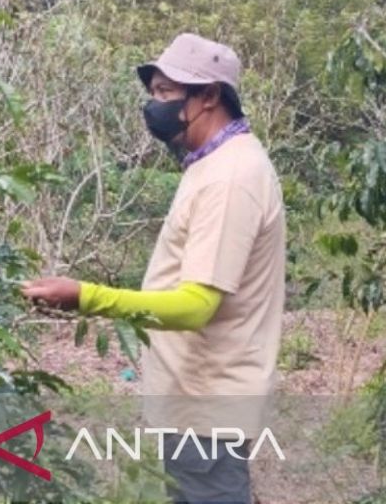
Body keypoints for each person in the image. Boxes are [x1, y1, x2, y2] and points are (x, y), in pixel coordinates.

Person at [20, 33, 286, 504]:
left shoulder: (231, 177)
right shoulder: (209, 164)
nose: (154, 104)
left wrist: (86, 297)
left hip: (208, 408)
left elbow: (196, 306)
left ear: (209, 96)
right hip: (193, 400)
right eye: (154, 92)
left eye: (167, 92)